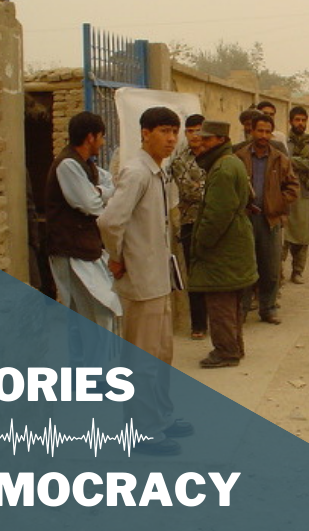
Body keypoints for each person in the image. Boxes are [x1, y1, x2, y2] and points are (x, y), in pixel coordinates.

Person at [97, 106, 193, 456]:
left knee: (161, 355)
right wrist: (118, 258)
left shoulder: (158, 172)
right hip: (140, 281)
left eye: (174, 132)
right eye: (164, 131)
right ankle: (141, 431)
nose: (171, 139)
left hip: (158, 279)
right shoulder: (136, 173)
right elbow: (109, 223)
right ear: (145, 133)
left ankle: (160, 418)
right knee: (141, 361)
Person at [45, 111, 122, 368]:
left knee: (96, 312)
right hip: (70, 252)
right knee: (89, 312)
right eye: (101, 137)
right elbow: (90, 203)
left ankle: (94, 371)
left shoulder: (85, 165)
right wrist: (104, 193)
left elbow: (111, 184)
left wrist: (102, 191)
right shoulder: (67, 164)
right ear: (91, 137)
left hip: (86, 251)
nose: (102, 143)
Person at [189, 120, 258, 368]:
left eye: (206, 140)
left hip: (224, 246)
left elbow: (217, 215)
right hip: (234, 242)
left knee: (220, 301)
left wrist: (201, 243)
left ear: (219, 140)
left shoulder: (222, 169)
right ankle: (233, 347)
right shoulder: (230, 163)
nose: (200, 144)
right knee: (231, 301)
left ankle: (226, 351)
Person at [234, 113, 299, 324]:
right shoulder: (238, 156)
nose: (263, 135)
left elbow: (293, 187)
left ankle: (268, 308)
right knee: (244, 266)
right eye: (259, 131)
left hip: (270, 221)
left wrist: (277, 203)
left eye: (267, 131)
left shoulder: (280, 158)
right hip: (244, 220)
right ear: (251, 131)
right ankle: (242, 309)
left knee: (270, 267)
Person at [170, 113, 208, 340]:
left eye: (199, 130)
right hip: (190, 223)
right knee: (194, 275)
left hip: (216, 221)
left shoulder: (219, 156)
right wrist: (208, 188)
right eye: (191, 131)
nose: (195, 135)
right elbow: (189, 191)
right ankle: (199, 324)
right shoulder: (180, 161)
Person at [283, 106, 309, 285]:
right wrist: (298, 162)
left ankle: (298, 271)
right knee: (284, 235)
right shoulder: (283, 142)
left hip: (305, 192)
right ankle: (279, 271)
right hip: (287, 193)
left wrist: (292, 161)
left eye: (303, 120)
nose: (301, 123)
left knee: (303, 235)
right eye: (297, 120)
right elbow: (282, 162)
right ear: (290, 121)